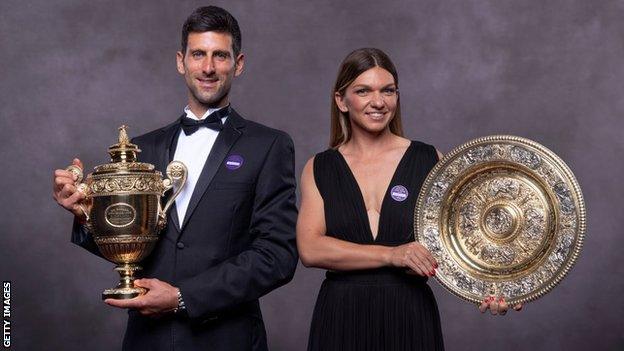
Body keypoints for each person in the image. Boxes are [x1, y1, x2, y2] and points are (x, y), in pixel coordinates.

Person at [52, 6, 298, 351]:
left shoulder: (268, 145)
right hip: (147, 340)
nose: (208, 67)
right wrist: (83, 213)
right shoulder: (142, 149)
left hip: (228, 339)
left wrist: (183, 297)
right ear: (181, 61)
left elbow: (278, 255)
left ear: (238, 64)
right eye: (198, 54)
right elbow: (128, 242)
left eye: (220, 56)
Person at [297, 48, 521, 351]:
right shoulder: (320, 167)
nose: (378, 102)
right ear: (341, 100)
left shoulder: (430, 161)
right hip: (340, 316)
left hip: (410, 315)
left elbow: (468, 241)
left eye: (387, 91)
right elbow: (311, 249)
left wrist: (494, 286)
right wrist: (392, 254)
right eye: (363, 91)